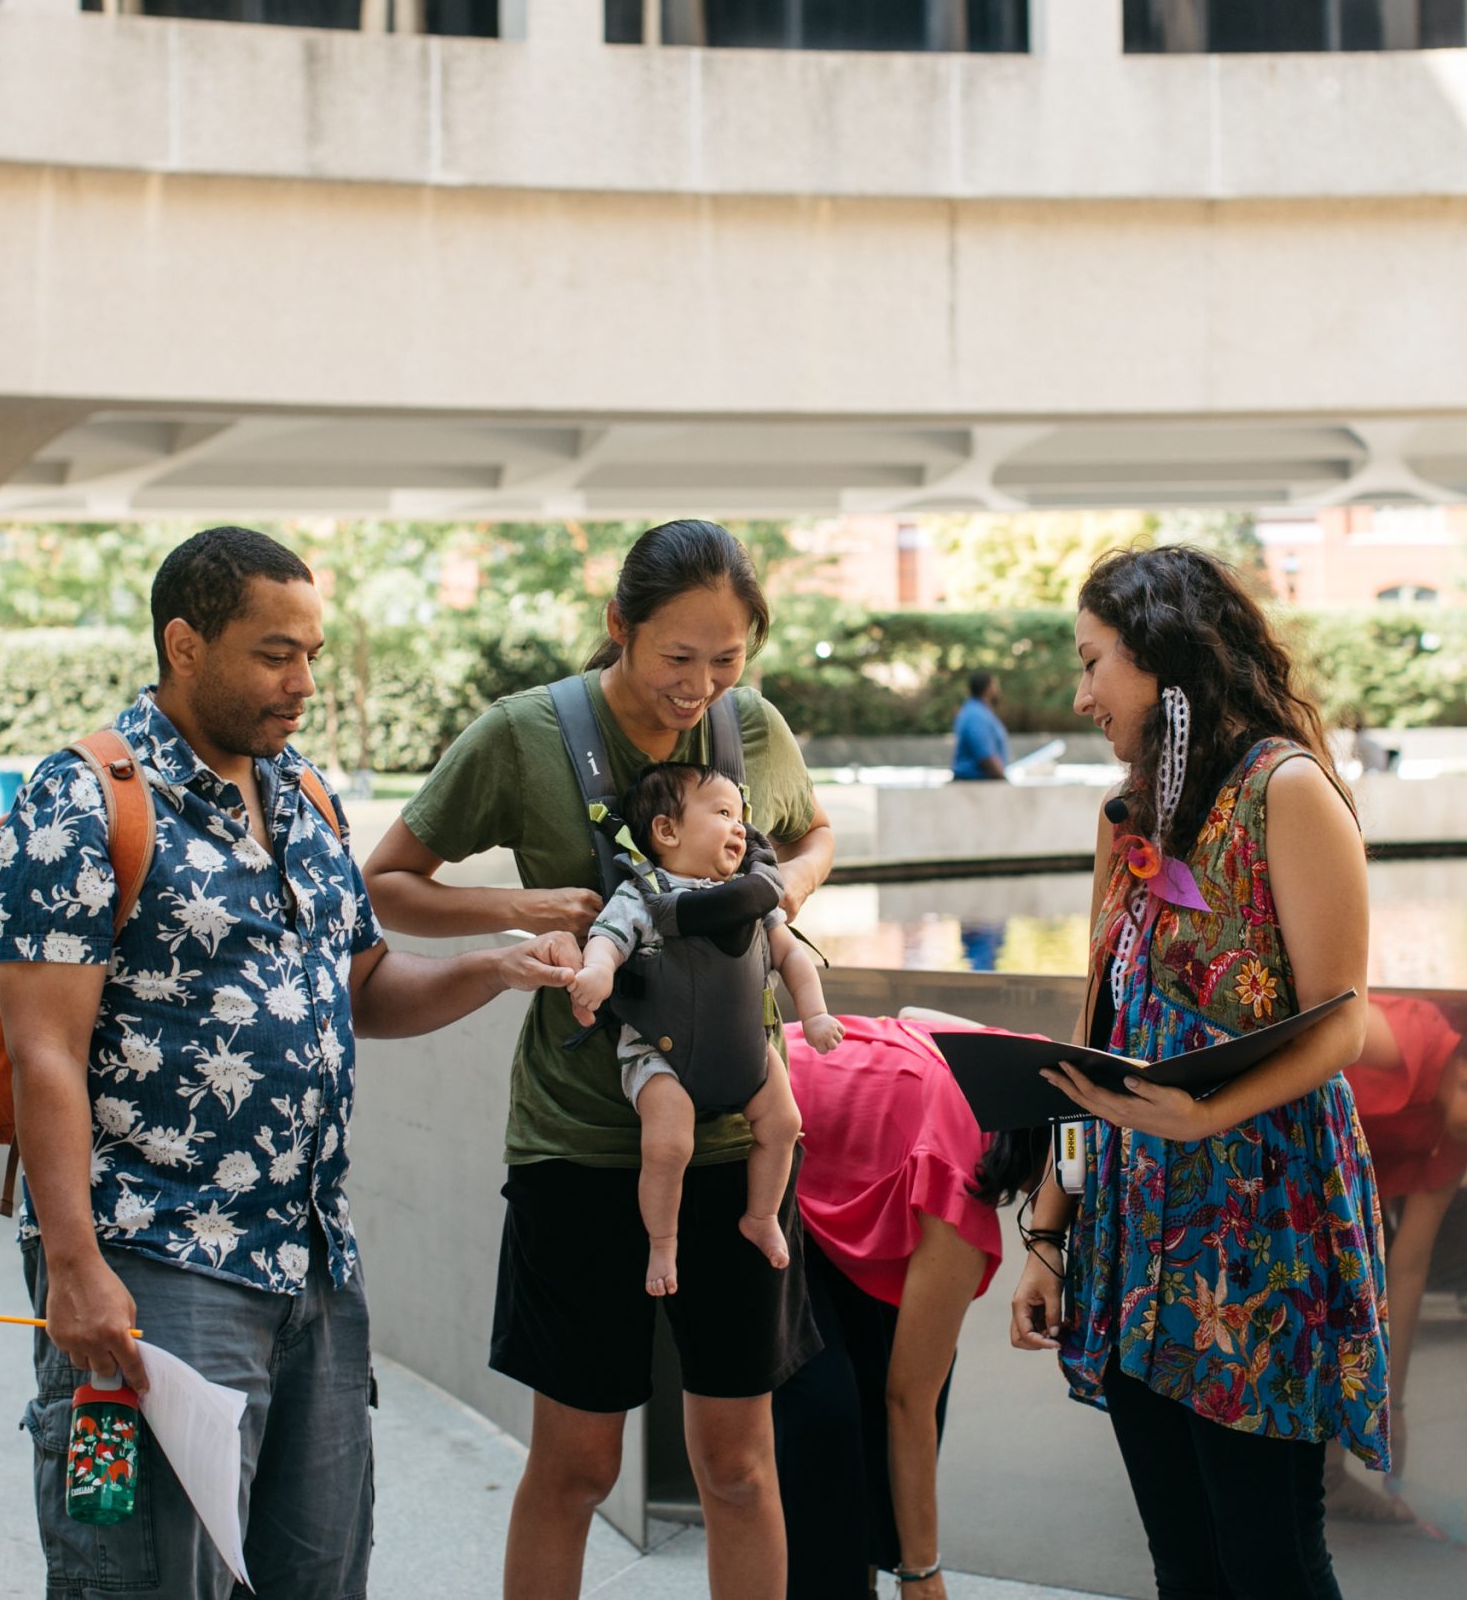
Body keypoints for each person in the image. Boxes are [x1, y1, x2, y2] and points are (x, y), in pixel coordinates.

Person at [0, 527, 580, 1600]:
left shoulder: (302, 796)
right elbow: (44, 1054)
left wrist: (494, 967)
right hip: (152, 1267)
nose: (303, 682)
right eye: (273, 654)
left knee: (320, 1577)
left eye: (310, 651)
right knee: (147, 1577)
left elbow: (360, 990)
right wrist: (74, 1267)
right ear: (183, 645)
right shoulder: (79, 804)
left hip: (311, 1263)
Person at [362, 519, 835, 1600]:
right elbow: (387, 883)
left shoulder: (749, 728)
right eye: (678, 658)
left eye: (726, 661)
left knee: (738, 1464)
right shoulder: (523, 734)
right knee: (576, 1464)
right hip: (576, 1145)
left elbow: (813, 835)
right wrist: (515, 909)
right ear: (618, 627)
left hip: (731, 1142)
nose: (700, 687)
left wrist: (788, 892)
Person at [1007, 544, 1387, 1600]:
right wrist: (1047, 1231)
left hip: (1260, 1228)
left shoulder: (1288, 790)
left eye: (1095, 664)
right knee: (1182, 1560)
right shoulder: (1125, 820)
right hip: (1132, 1232)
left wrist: (1198, 1116)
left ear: (1164, 658)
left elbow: (1340, 1026)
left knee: (1269, 1558)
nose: (1081, 696)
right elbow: (1095, 1042)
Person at [772, 1015, 1052, 1599]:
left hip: (823, 1152)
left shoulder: (1018, 1062)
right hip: (751, 1152)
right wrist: (924, 1572)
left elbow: (911, 1015)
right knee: (826, 1411)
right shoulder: (957, 1181)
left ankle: (872, 1563)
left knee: (916, 1365)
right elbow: (908, 1403)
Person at [568, 761, 846, 1296]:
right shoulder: (643, 894)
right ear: (667, 831)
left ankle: (762, 1215)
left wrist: (813, 1014)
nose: (740, 827)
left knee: (784, 1123)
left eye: (741, 816)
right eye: (723, 813)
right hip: (660, 1053)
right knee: (670, 1144)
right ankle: (664, 1244)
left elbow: (792, 957)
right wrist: (598, 972)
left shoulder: (749, 894)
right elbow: (606, 940)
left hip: (745, 1044)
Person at [1327, 995, 1467, 1521]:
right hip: (1260, 1141)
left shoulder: (1460, 1137)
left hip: (1327, 1200)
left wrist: (1393, 1408)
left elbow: (1408, 1266)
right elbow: (1301, 1020)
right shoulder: (1411, 1040)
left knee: (1349, 1295)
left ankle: (1327, 1479)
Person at [950, 671, 1011, 781]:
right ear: (988, 688)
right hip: (975, 787)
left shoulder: (977, 711)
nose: (998, 690)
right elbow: (985, 755)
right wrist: (1003, 781)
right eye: (995, 685)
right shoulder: (976, 715)